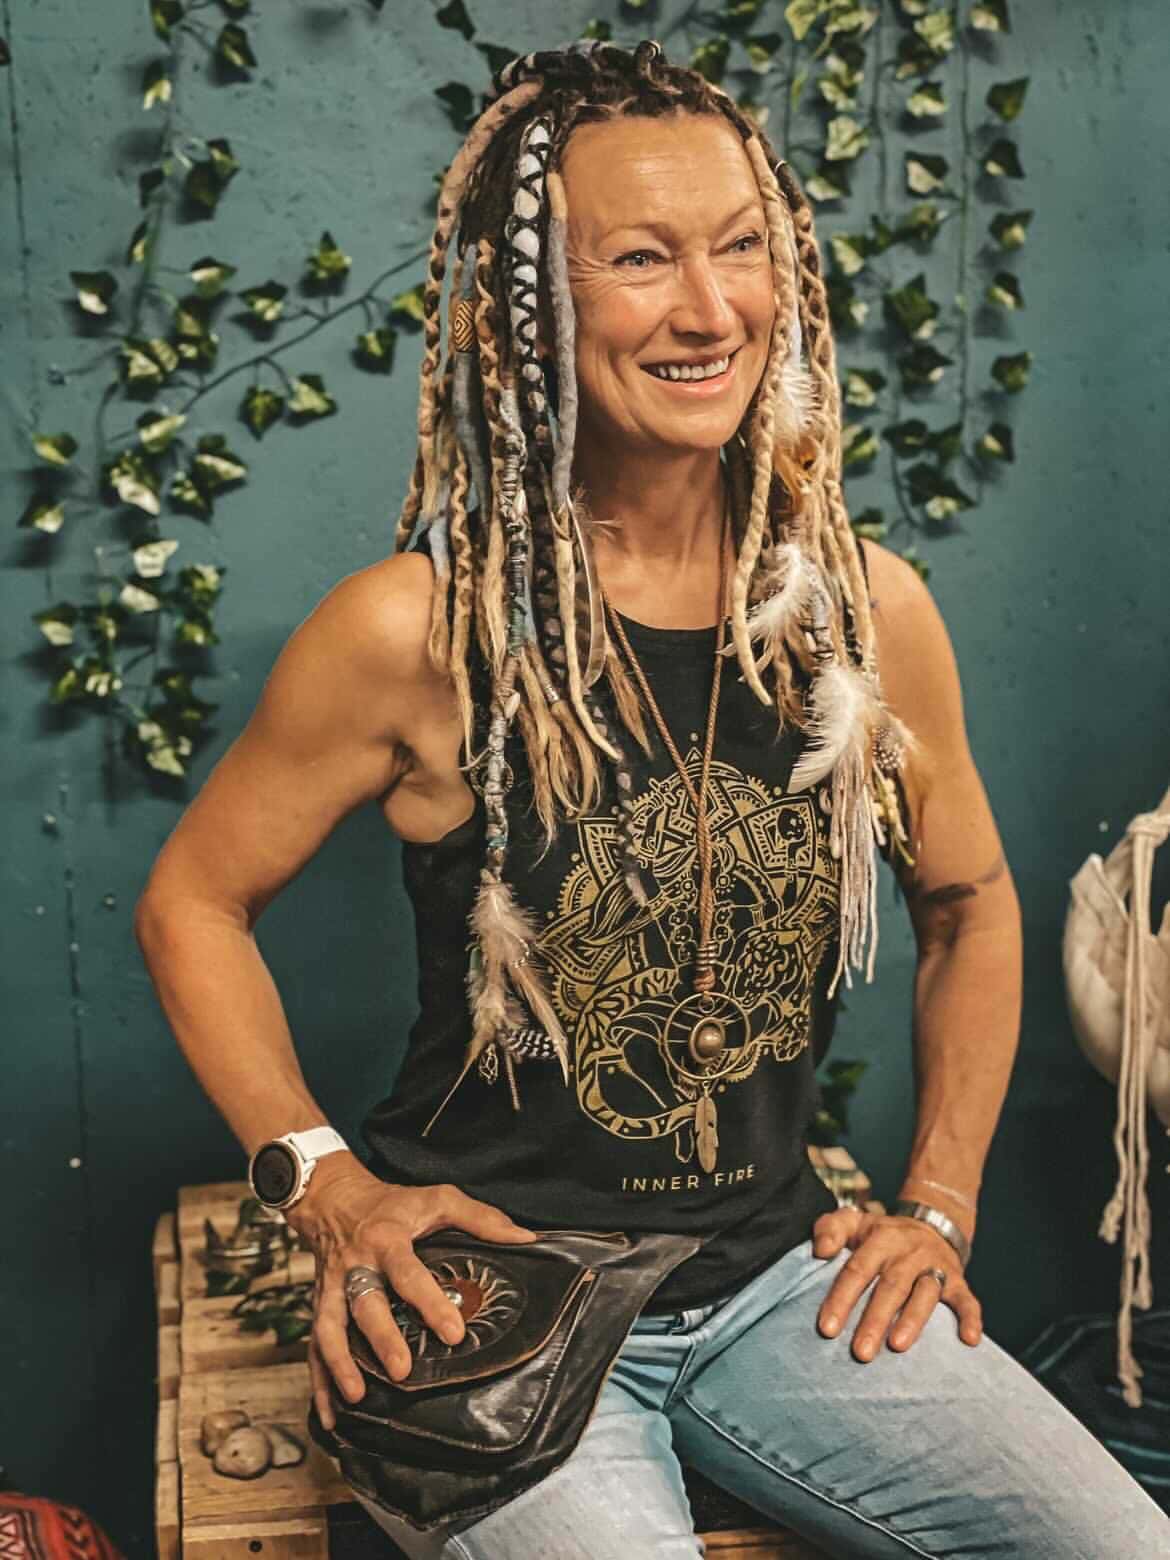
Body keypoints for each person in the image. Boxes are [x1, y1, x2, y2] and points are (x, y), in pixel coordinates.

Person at [134, 39, 1169, 1560]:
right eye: (638, 259)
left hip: (771, 1285)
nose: (710, 308)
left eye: (741, 247)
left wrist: (933, 1202)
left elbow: (968, 899)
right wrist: (327, 1190)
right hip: (494, 1303)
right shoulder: (416, 633)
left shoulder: (861, 613)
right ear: (523, 307)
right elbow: (191, 903)